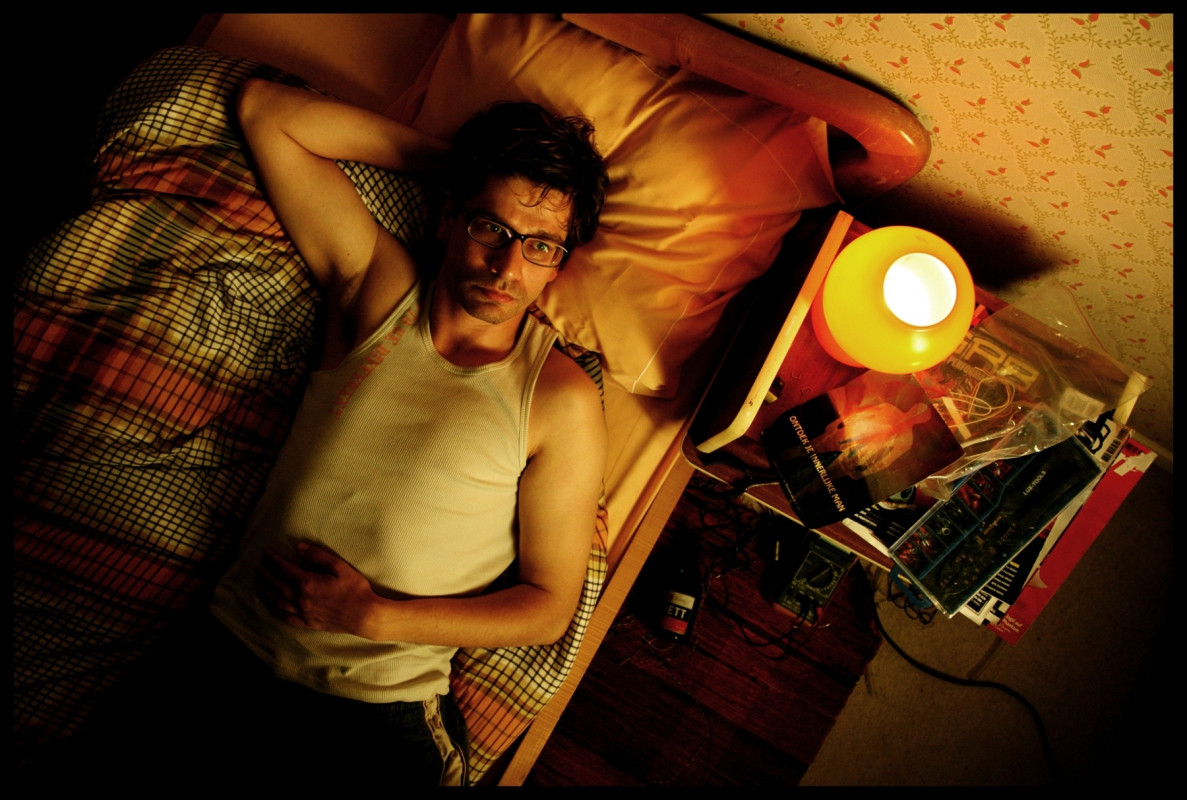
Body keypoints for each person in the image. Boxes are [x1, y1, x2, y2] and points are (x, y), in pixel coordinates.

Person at [71, 80, 609, 786]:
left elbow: (546, 609)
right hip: (223, 661)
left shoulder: (560, 398)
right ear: (449, 215)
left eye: (539, 246)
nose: (507, 267)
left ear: (559, 263)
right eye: (491, 228)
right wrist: (452, 163)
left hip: (373, 713)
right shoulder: (380, 292)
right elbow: (267, 114)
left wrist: (373, 617)